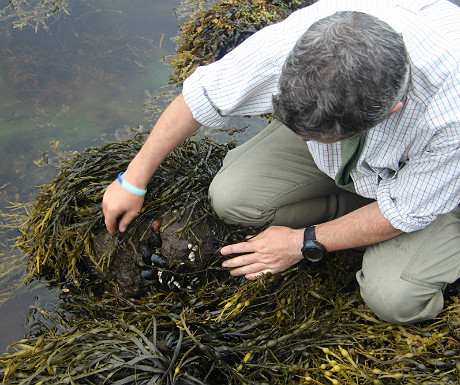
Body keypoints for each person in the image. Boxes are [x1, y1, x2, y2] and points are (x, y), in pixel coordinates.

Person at [102, 0, 460, 324]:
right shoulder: (304, 41)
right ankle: (356, 210)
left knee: (392, 298)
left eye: (316, 135)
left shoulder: (449, 114)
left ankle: (430, 249)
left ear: (390, 112)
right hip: (368, 147)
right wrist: (133, 180)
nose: (302, 139)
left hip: (442, 187)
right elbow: (201, 97)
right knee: (231, 197)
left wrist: (301, 243)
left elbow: (403, 212)